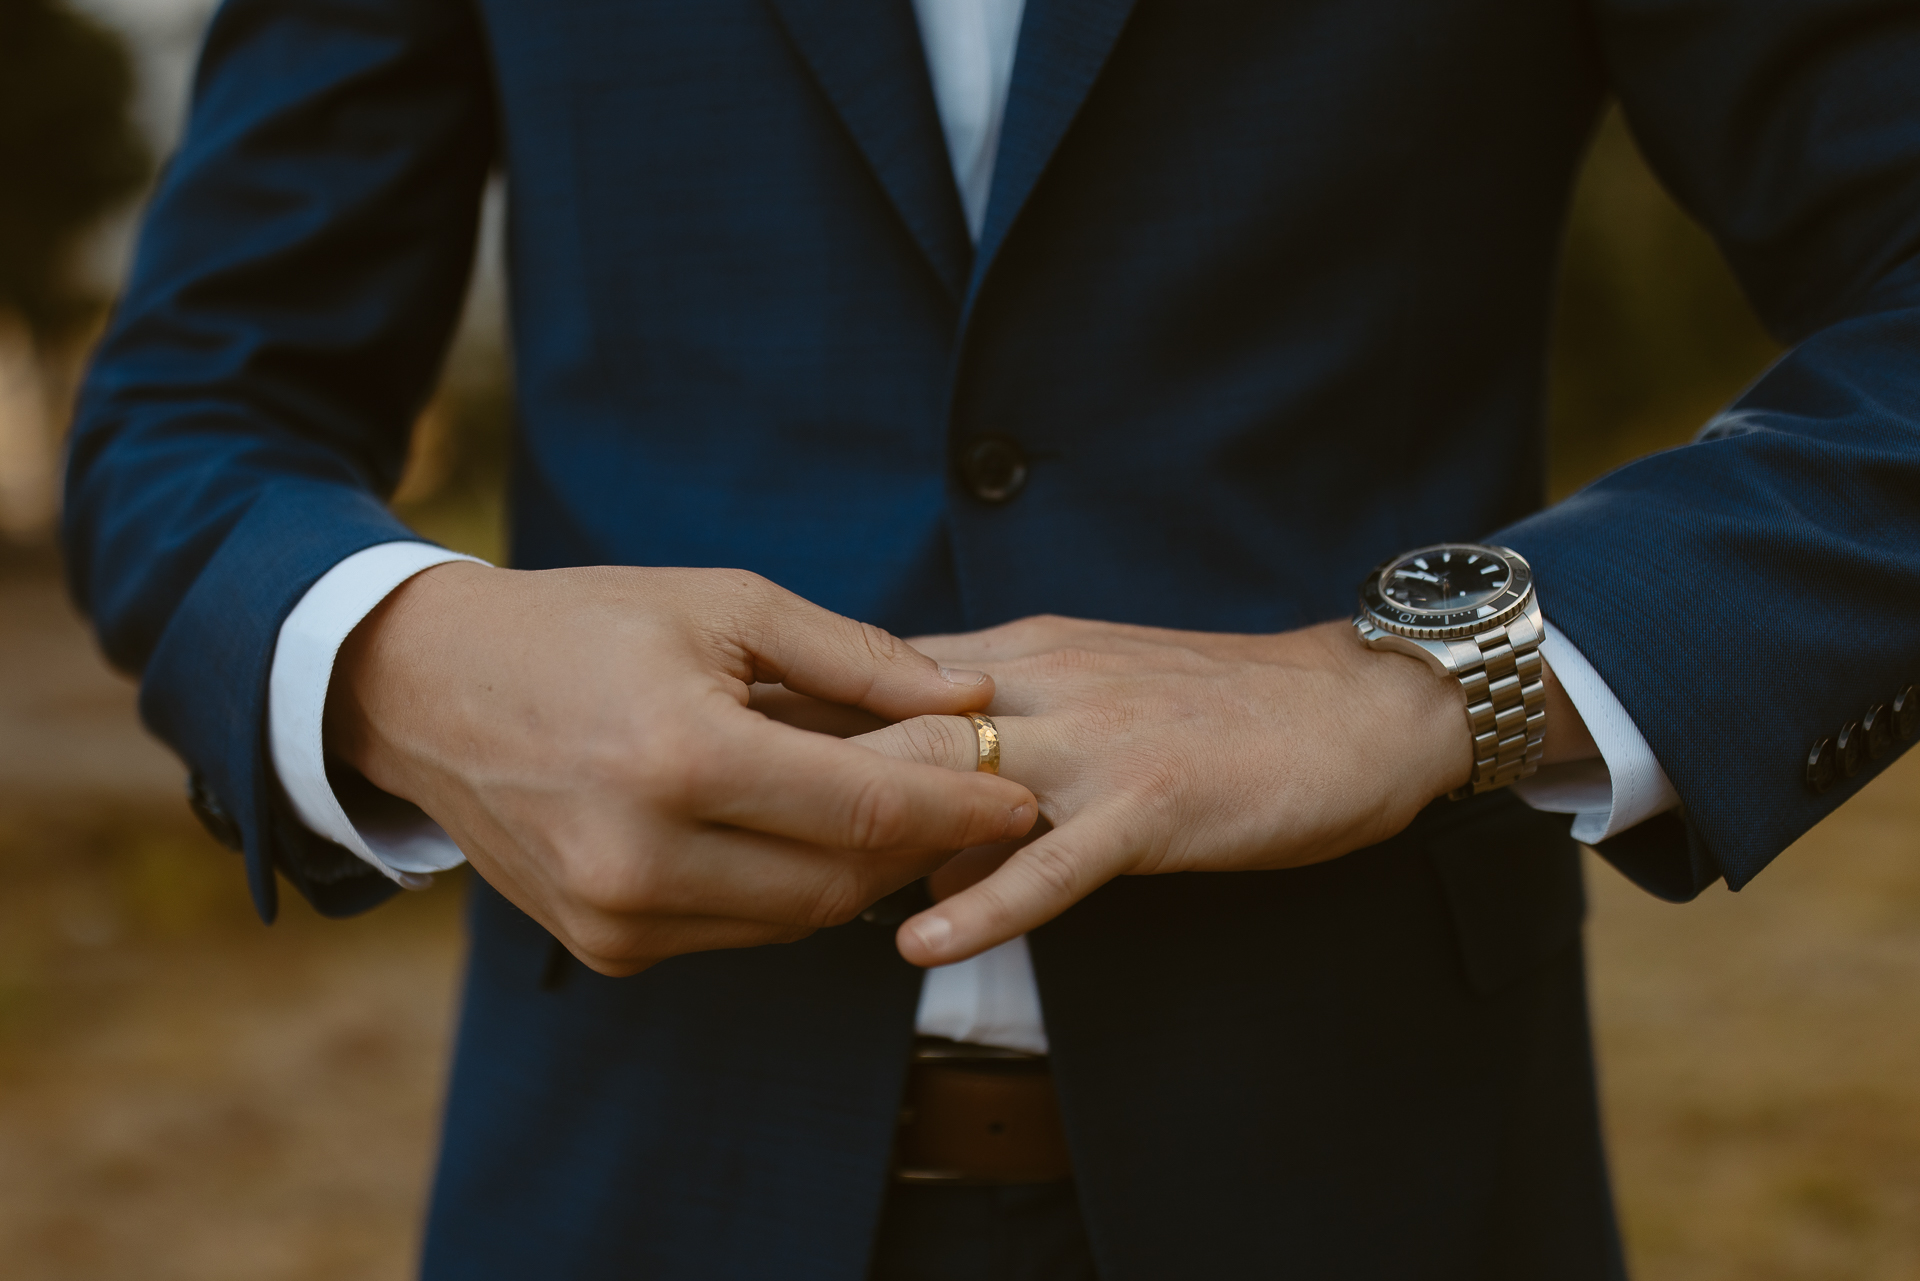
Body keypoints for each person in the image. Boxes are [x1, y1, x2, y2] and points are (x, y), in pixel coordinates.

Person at [63, 0, 1920, 1276]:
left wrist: (1432, 681)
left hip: (1371, 1173)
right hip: (630, 1172)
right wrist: (406, 657)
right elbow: (194, 408)